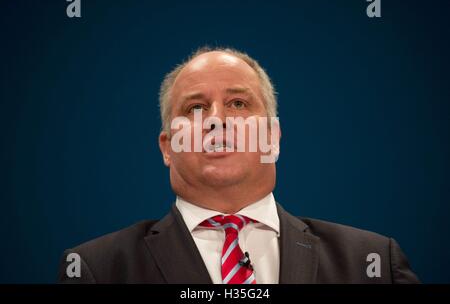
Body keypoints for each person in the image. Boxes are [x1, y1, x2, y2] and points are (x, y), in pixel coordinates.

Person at [58, 47, 420, 283]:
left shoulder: (372, 262)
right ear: (167, 148)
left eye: (238, 104)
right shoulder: (97, 269)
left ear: (273, 137)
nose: (217, 120)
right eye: (194, 108)